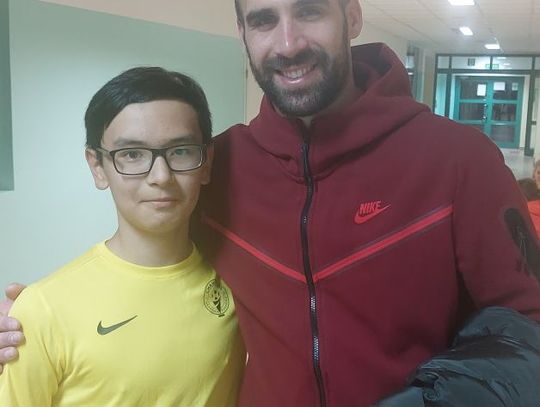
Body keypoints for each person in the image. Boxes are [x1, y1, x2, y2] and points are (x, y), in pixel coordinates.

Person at [1, 0, 540, 406]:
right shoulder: (219, 166)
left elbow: (527, 329)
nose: (287, 43)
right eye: (262, 20)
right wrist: (40, 315)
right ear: (242, 34)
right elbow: (148, 250)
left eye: (309, 11)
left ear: (352, 16)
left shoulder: (458, 158)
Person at [0, 67, 245, 406]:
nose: (161, 176)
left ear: (206, 162)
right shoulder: (41, 309)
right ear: (97, 166)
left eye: (181, 151)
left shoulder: (243, 288)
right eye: (132, 154)